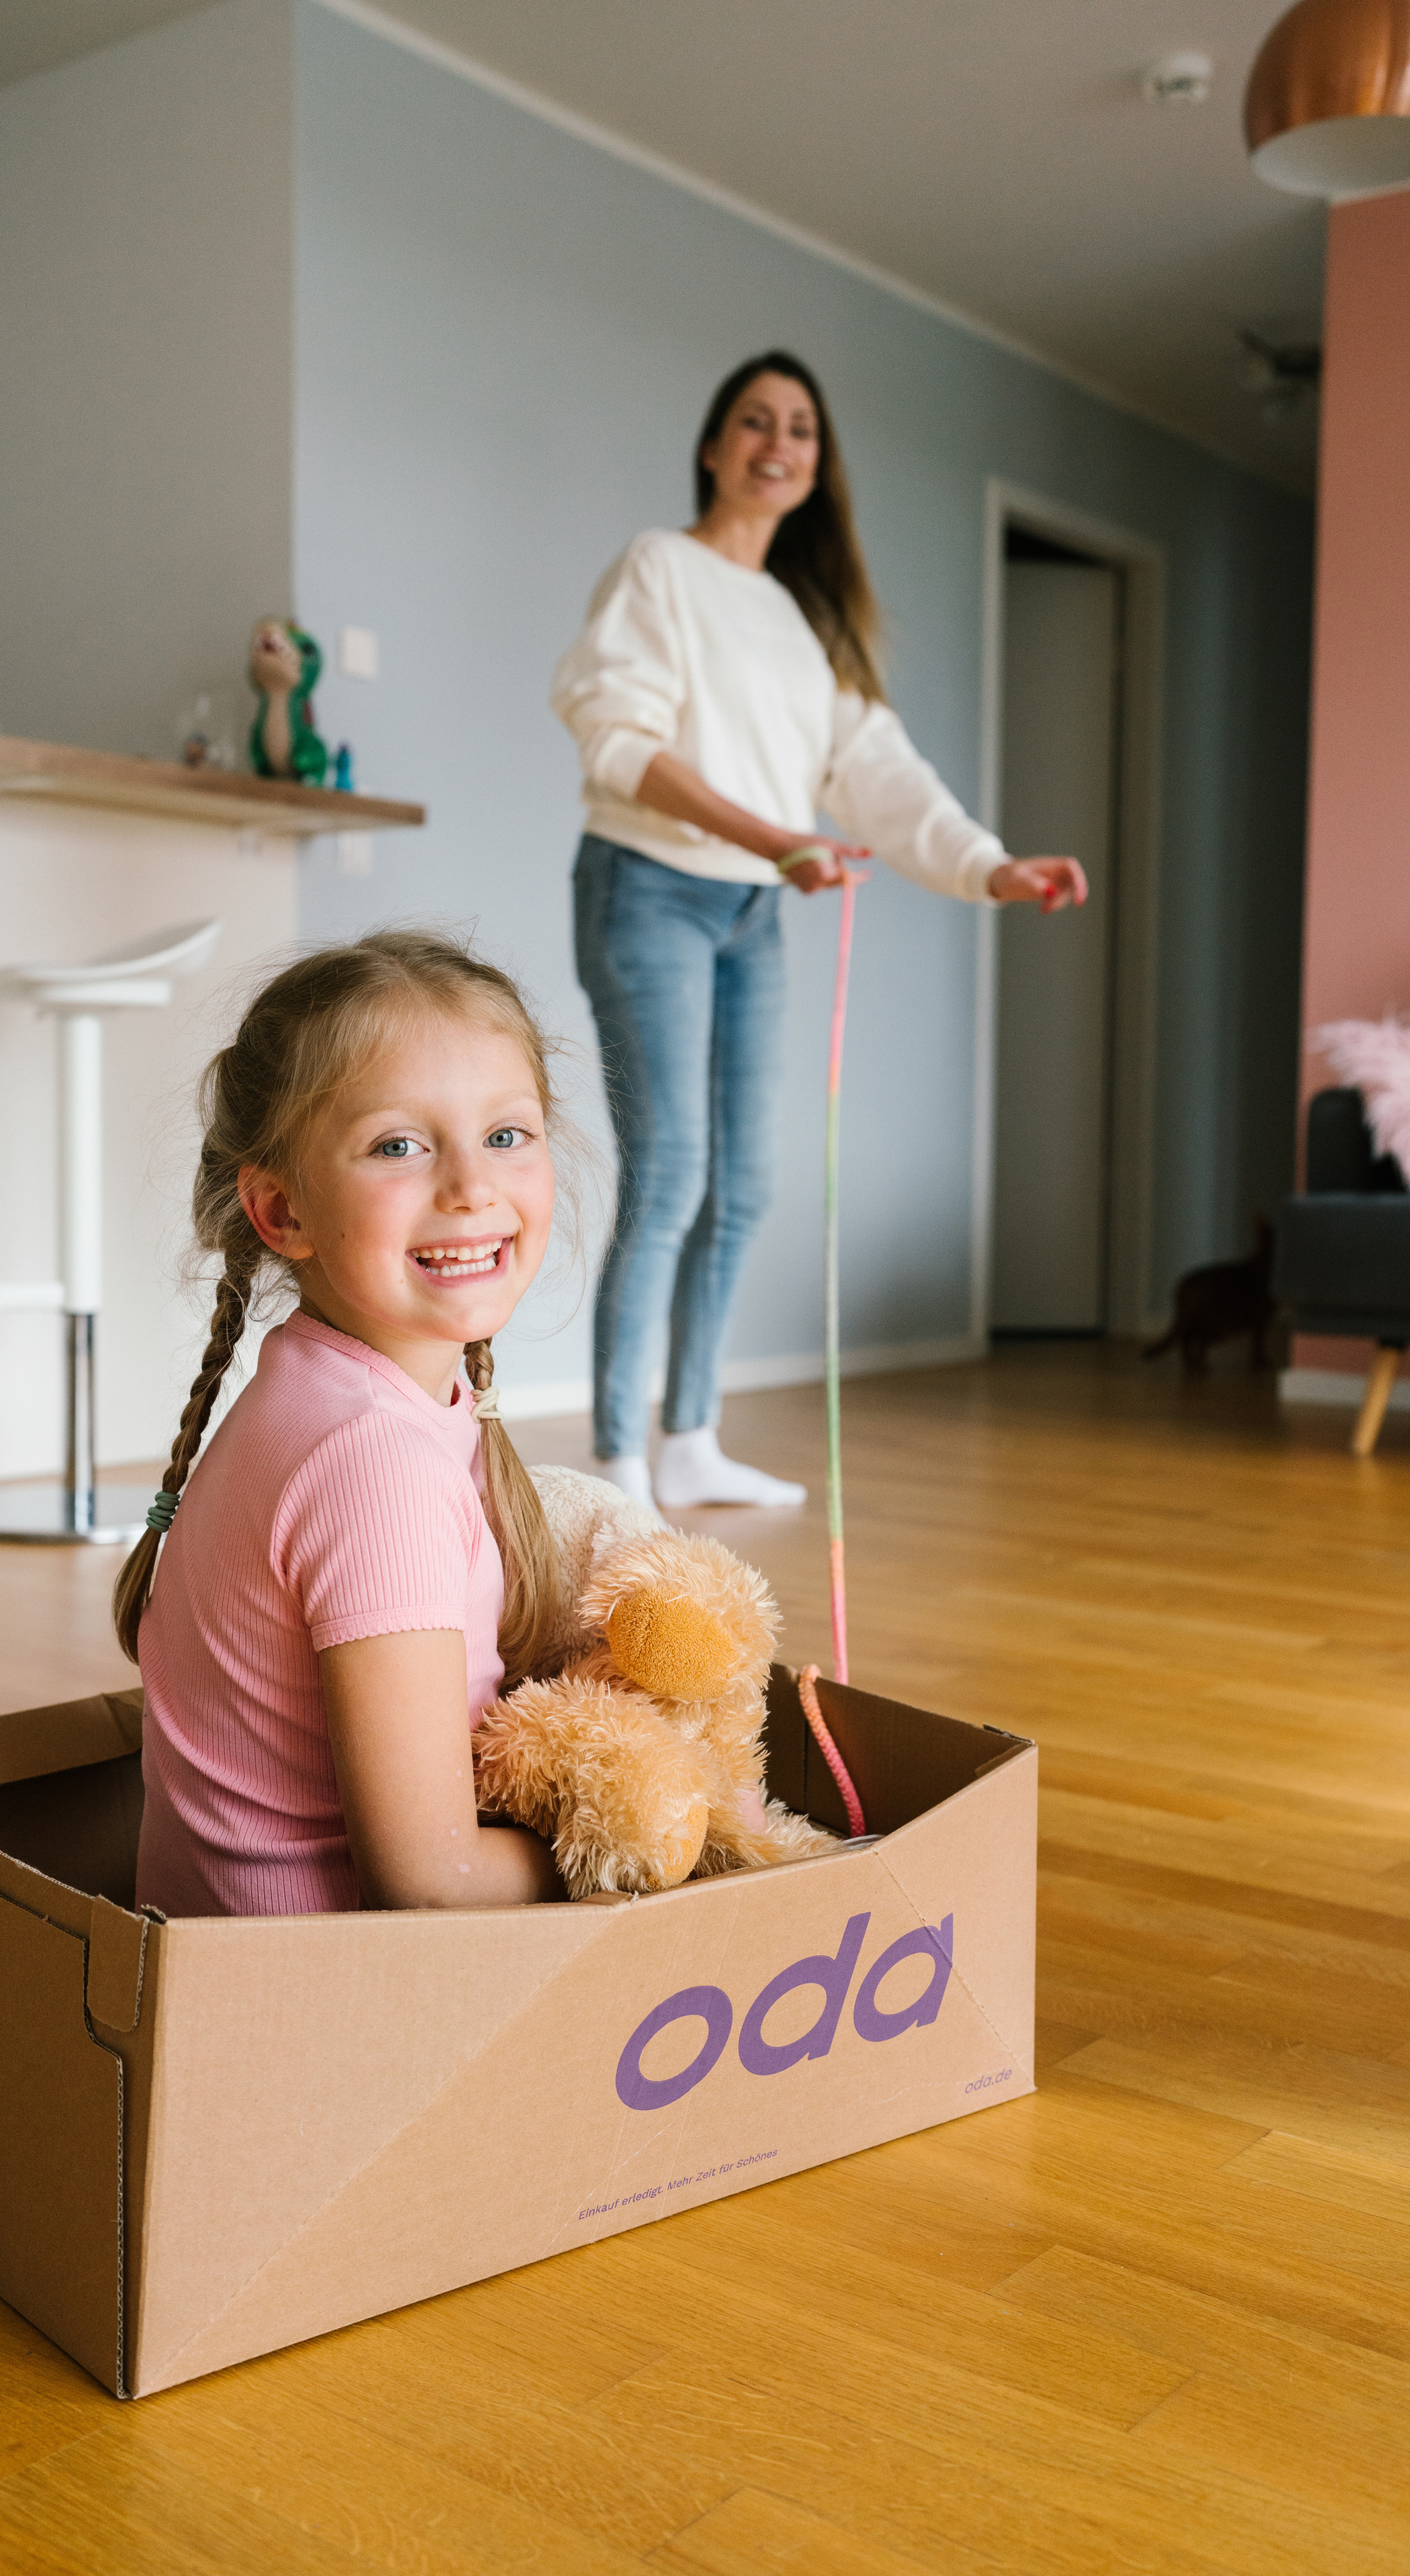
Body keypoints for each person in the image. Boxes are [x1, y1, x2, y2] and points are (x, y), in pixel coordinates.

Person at [553, 350, 1086, 1513]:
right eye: (754, 420)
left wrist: (995, 869)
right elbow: (619, 743)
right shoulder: (662, 568)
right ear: (713, 444)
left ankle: (690, 1436)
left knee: (745, 1183)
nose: (778, 443)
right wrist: (772, 838)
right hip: (649, 888)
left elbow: (882, 779)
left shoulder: (807, 624)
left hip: (753, 907)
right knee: (673, 1172)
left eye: (801, 427)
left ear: (816, 464)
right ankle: (615, 1463)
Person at [114, 931, 571, 1916]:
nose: (472, 1187)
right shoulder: (370, 1459)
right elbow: (430, 1881)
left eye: (506, 1134)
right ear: (281, 1211)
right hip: (314, 2012)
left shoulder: (325, 1386)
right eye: (399, 1145)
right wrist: (656, 1851)